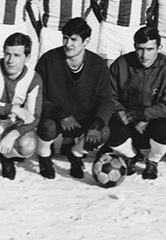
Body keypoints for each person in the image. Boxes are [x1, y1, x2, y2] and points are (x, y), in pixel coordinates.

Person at [35, 18, 114, 179]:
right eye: (65, 38)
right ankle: (44, 157)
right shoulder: (48, 60)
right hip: (56, 116)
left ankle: (76, 154)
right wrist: (59, 113)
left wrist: (97, 123)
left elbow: (106, 100)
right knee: (47, 128)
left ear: (86, 41)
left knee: (103, 132)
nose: (68, 44)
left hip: (83, 117)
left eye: (73, 39)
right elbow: (36, 96)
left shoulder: (98, 64)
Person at [106, 26, 166, 180]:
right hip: (127, 120)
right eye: (140, 49)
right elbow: (109, 96)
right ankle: (131, 155)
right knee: (109, 131)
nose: (144, 55)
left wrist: (141, 115)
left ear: (159, 47)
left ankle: (153, 161)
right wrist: (124, 113)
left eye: (150, 49)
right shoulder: (121, 64)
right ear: (134, 46)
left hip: (153, 121)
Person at [0, 33, 42, 187]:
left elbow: (34, 117)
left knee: (28, 145)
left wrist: (13, 135)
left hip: (10, 124)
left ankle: (6, 156)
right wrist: (12, 108)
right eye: (7, 54)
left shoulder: (33, 78)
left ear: (27, 57)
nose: (10, 60)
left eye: (17, 55)